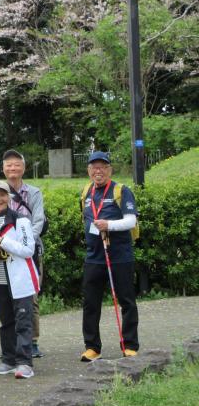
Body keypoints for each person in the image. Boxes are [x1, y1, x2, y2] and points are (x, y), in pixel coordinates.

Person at [80, 151, 139, 361]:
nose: (98, 171)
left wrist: (109, 226)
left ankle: (130, 345)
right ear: (88, 171)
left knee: (126, 301)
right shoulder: (86, 191)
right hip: (94, 256)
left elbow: (131, 221)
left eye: (103, 167)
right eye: (94, 167)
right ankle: (92, 347)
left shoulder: (121, 190)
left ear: (109, 170)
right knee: (90, 303)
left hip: (120, 256)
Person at [0, 181, 39, 379]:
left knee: (23, 321)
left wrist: (2, 241)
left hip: (20, 279)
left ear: (9, 196)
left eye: (2, 195)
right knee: (6, 322)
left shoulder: (20, 220)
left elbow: (28, 249)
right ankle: (8, 360)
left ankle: (24, 363)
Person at [3, 149, 46, 358]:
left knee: (30, 297)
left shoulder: (34, 193)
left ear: (23, 167)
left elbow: (39, 221)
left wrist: (24, 243)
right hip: (4, 253)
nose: (13, 168)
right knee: (7, 297)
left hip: (29, 252)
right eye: (8, 165)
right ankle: (13, 341)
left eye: (16, 164)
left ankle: (32, 340)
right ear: (3, 169)